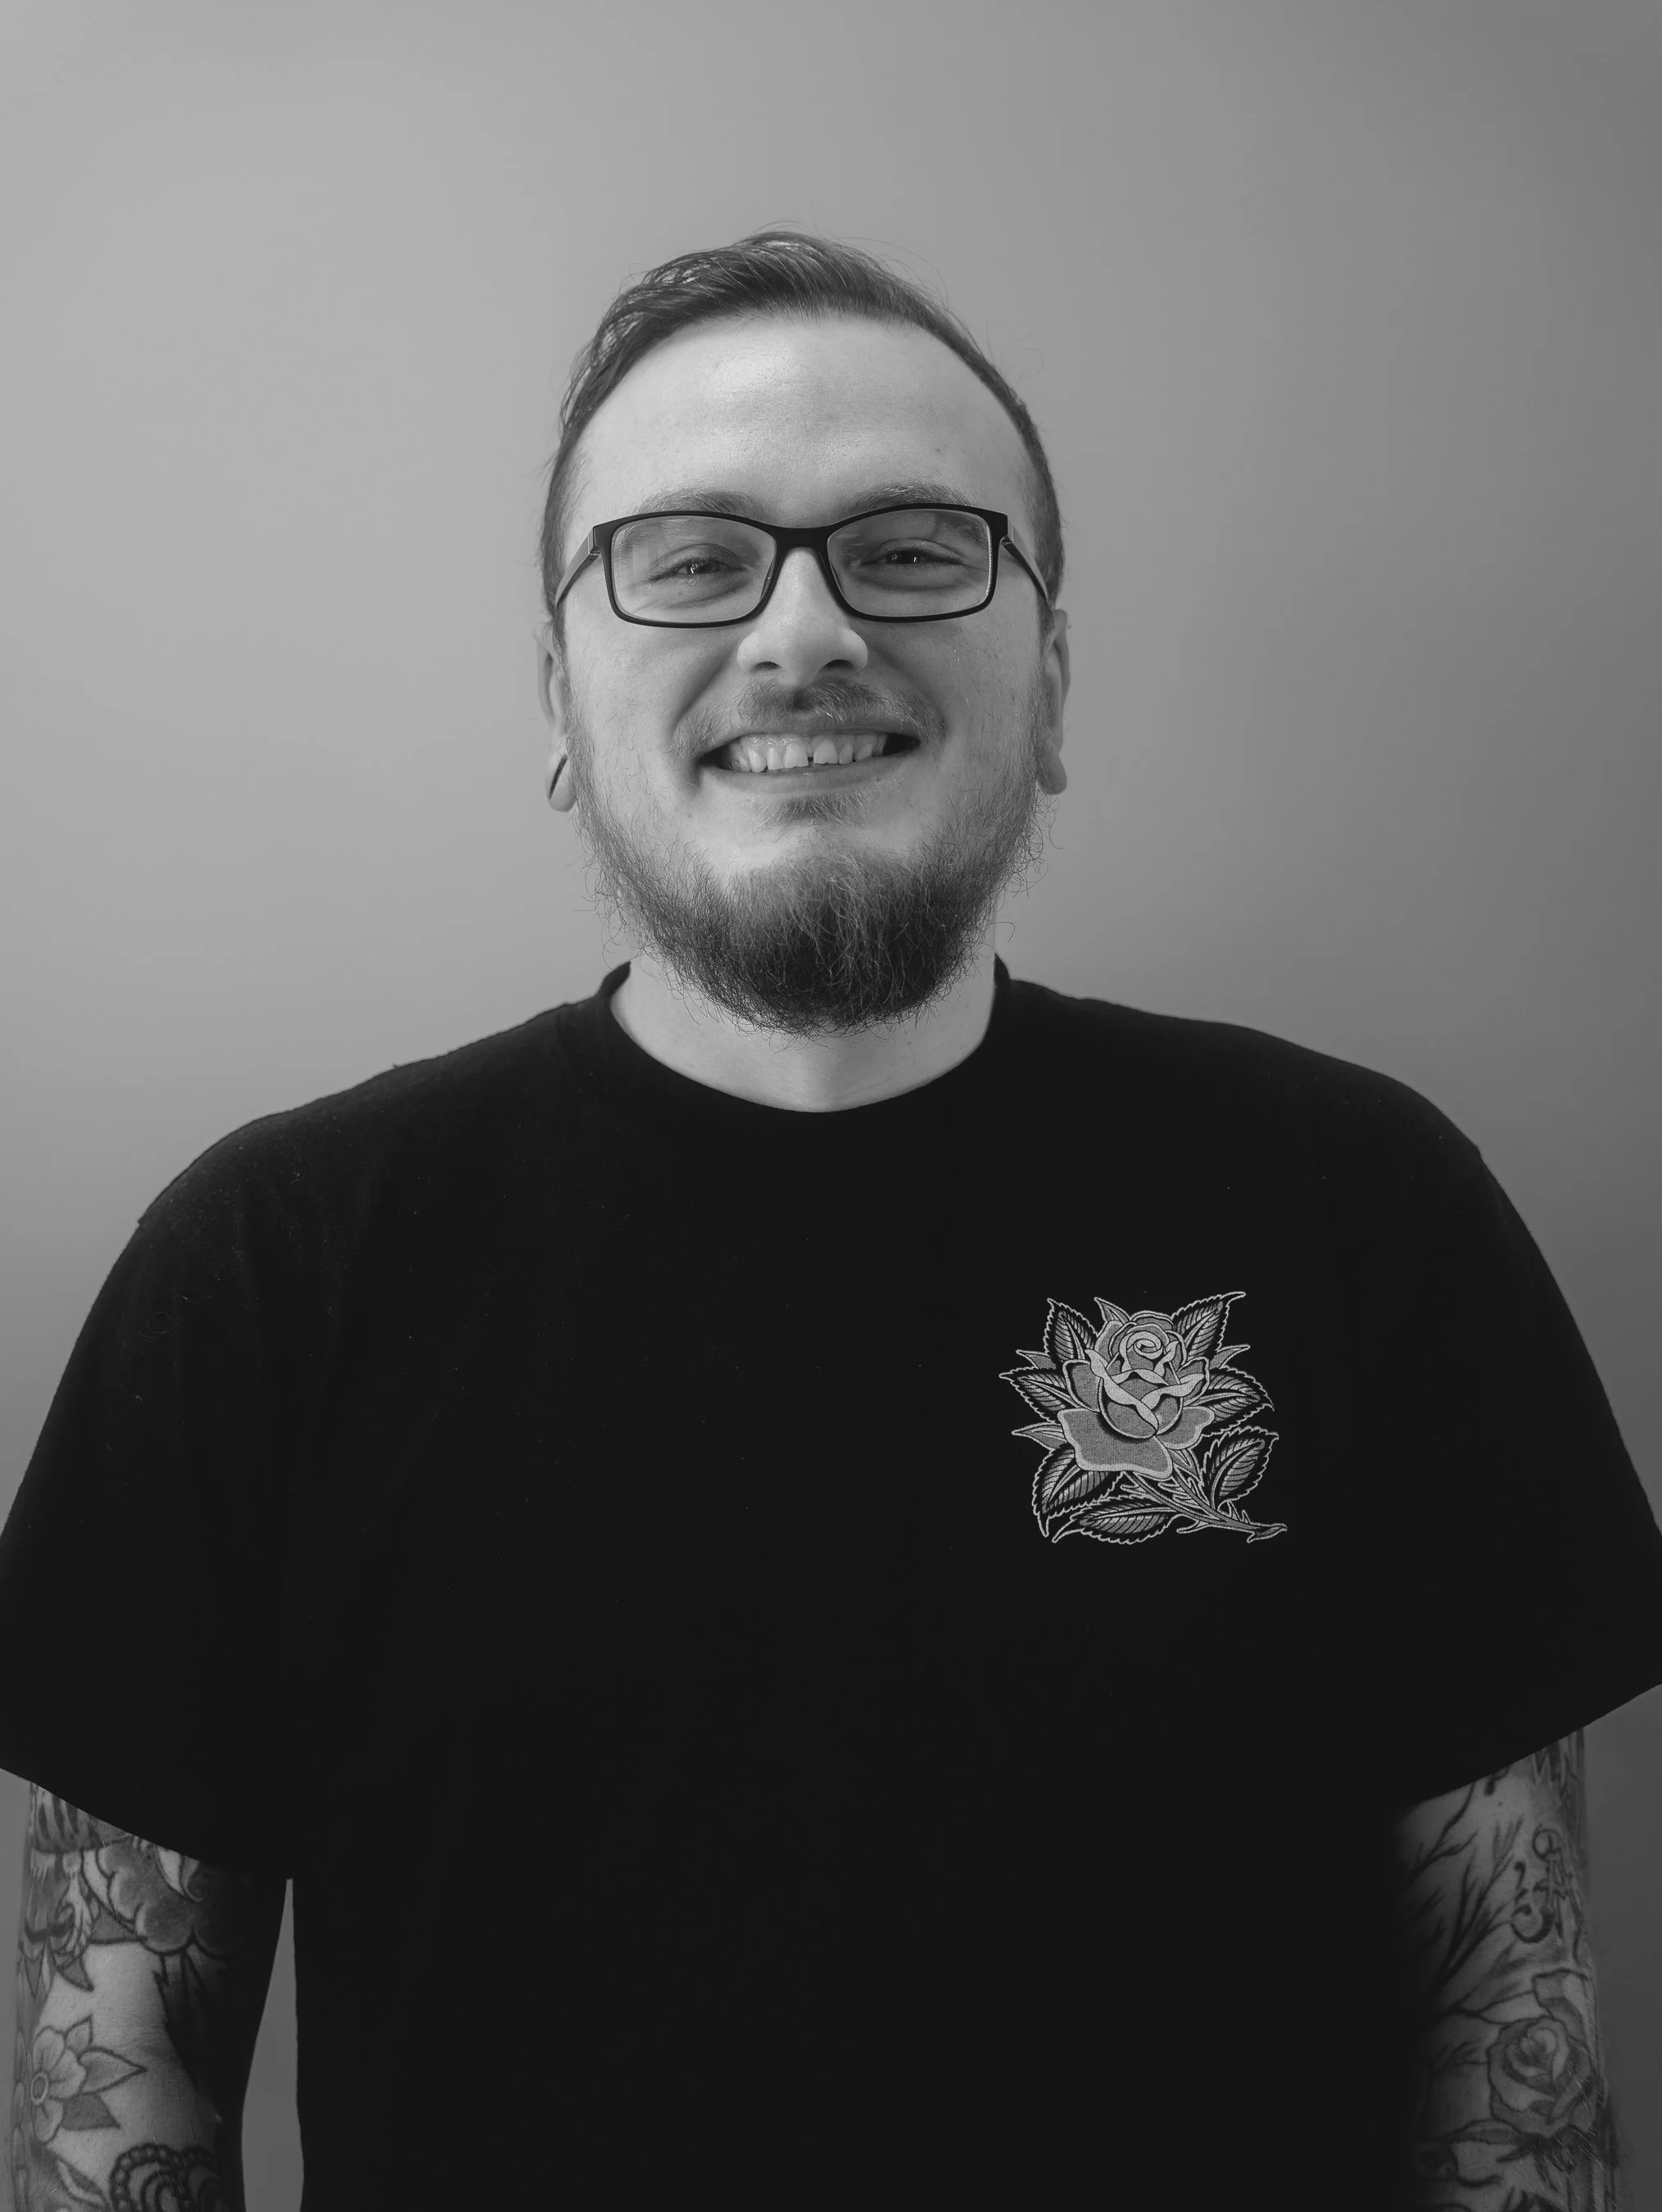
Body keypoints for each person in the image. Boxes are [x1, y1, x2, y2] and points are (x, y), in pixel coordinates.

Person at [3, 228, 1660, 2210]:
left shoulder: (1364, 1213)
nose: (801, 633)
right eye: (690, 559)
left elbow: (1513, 2032)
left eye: (911, 546)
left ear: (1046, 681)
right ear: (559, 695)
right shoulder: (265, 1274)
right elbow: (116, 2093)